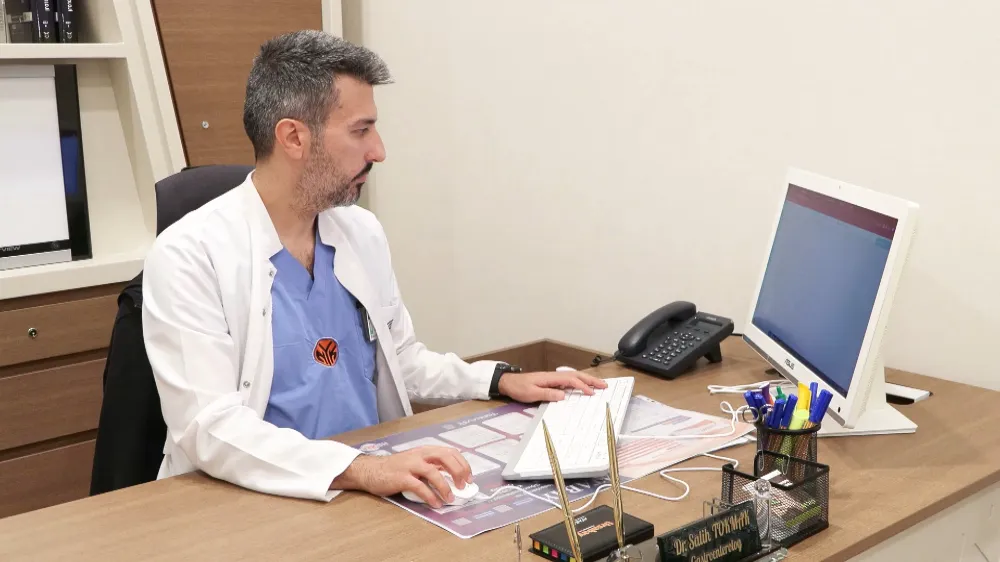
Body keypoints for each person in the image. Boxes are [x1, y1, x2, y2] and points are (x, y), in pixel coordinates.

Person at [141, 30, 606, 509]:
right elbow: (210, 428)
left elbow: (399, 360)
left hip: (366, 488)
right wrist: (363, 469)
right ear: (294, 137)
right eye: (361, 131)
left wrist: (498, 381)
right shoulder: (189, 255)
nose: (378, 151)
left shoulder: (359, 232)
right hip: (255, 500)